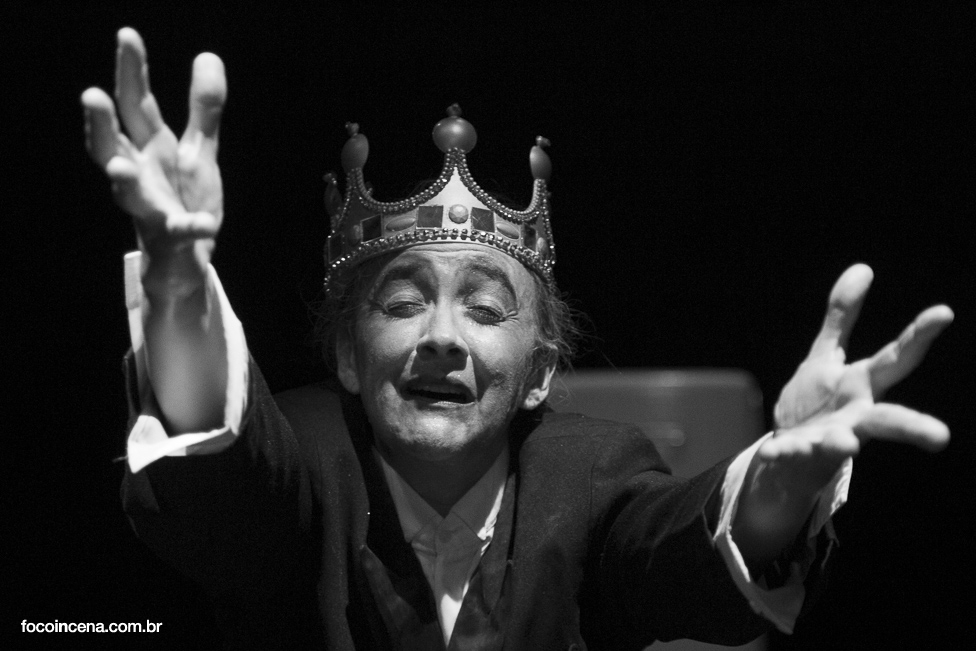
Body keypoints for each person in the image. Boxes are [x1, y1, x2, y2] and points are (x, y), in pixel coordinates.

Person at [82, 28, 954, 650]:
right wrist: (177, 284)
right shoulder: (306, 459)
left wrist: (775, 483)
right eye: (402, 302)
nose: (441, 337)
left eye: (486, 309)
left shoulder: (594, 471)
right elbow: (225, 480)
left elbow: (672, 551)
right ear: (346, 352)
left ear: (539, 373)